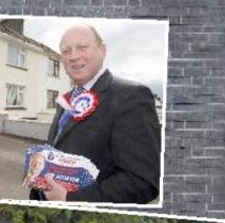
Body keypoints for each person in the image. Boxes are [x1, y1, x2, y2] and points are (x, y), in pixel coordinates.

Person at [34, 24, 160, 204]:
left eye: (82, 47)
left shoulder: (131, 96)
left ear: (102, 50)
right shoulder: (66, 101)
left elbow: (143, 182)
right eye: (66, 51)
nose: (74, 56)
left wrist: (71, 199)